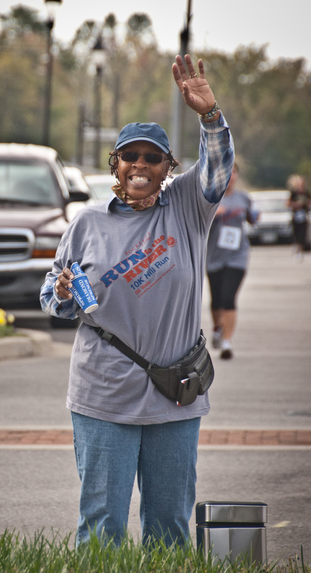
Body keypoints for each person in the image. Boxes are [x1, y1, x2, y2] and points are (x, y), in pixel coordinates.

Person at [40, 54, 235, 548]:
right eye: (131, 157)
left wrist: (210, 116)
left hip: (175, 391)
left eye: (153, 158)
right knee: (102, 524)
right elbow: (53, 297)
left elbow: (217, 168)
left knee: (169, 524)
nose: (141, 166)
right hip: (103, 393)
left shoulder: (190, 206)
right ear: (117, 164)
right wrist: (62, 293)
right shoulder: (87, 223)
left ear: (168, 167)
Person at [205, 163, 258, 360]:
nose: (230, 176)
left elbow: (252, 218)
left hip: (238, 255)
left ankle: (227, 342)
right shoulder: (210, 199)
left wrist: (254, 216)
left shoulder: (243, 197)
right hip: (214, 256)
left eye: (233, 172)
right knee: (216, 301)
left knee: (229, 298)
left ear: (236, 175)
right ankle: (218, 327)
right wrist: (212, 215)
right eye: (226, 173)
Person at [287, 174, 311, 260]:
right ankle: (296, 246)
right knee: (296, 233)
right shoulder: (293, 193)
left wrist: (306, 203)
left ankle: (300, 250)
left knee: (303, 233)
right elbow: (288, 204)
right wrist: (296, 204)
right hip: (296, 215)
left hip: (304, 215)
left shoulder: (306, 192)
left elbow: (309, 202)